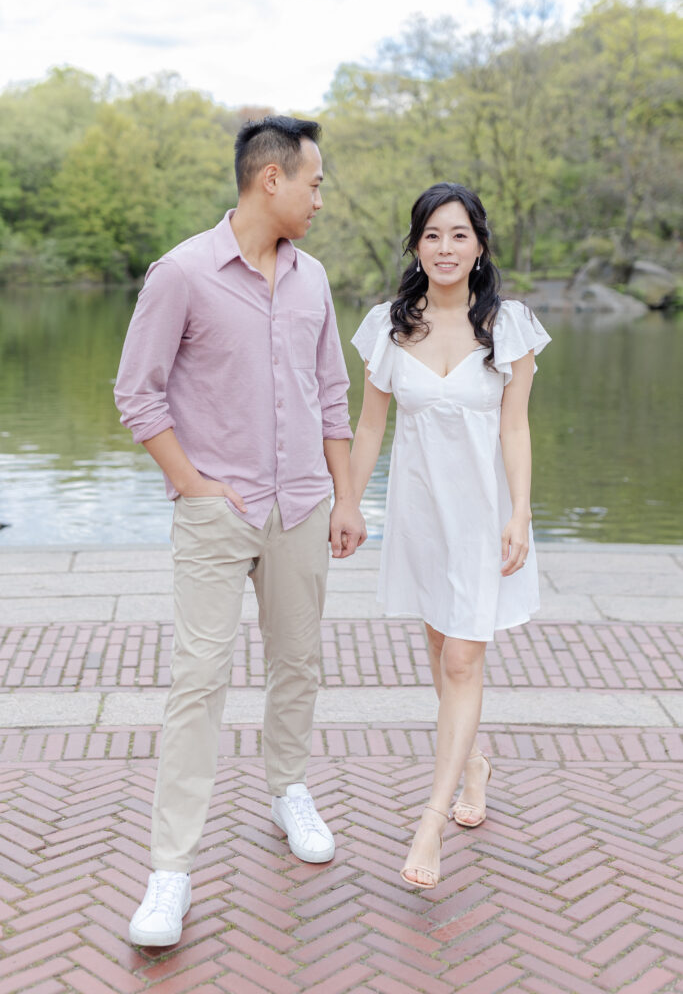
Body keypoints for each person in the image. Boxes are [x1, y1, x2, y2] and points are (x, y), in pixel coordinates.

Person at [114, 115, 366, 945]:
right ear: (271, 181)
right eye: (315, 182)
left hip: (299, 505)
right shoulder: (181, 274)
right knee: (199, 681)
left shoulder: (314, 281)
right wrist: (192, 486)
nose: (320, 197)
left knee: (298, 661)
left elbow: (333, 395)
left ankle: (287, 786)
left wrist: (344, 499)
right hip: (217, 514)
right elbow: (137, 393)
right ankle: (170, 870)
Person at [349, 182, 550, 889]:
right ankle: (472, 767)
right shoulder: (387, 325)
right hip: (417, 512)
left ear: (480, 244)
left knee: (464, 660)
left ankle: (430, 822)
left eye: (458, 234)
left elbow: (515, 426)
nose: (444, 247)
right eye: (431, 234)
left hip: (482, 515)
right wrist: (348, 501)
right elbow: (369, 426)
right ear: (414, 245)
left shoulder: (509, 325)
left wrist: (520, 510)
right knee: (440, 651)